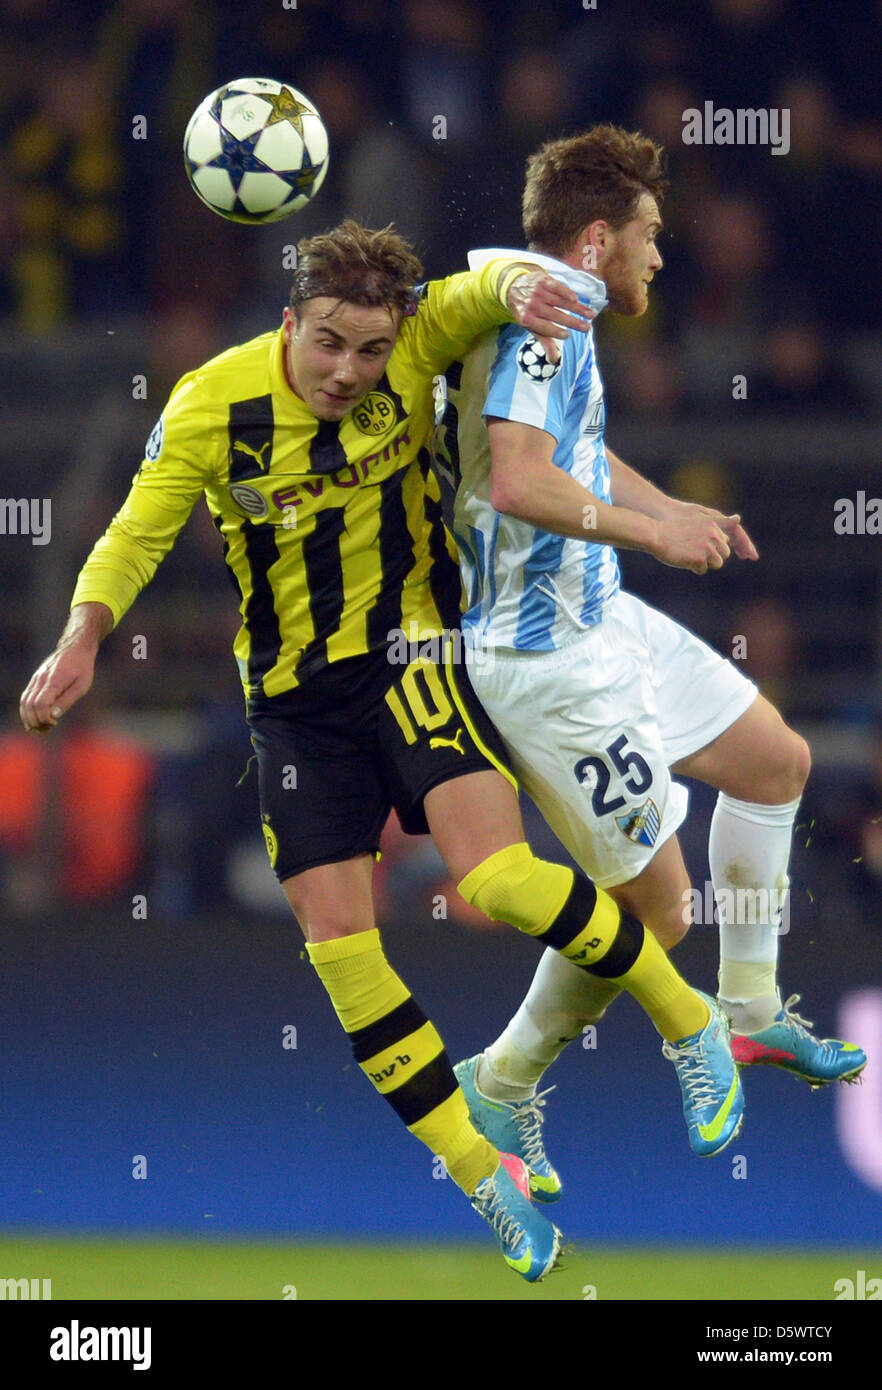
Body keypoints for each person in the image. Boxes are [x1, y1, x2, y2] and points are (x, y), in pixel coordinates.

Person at [20, 220, 742, 1284]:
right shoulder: (211, 403)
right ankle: (480, 1175)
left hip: (412, 652)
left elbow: (481, 279)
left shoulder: (418, 339)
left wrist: (524, 285)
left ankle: (693, 1023)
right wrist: (83, 635)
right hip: (293, 705)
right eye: (327, 345)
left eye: (369, 351)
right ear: (288, 324)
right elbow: (135, 532)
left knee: (495, 877)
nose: (350, 372)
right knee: (339, 946)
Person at [428, 126, 867, 1196]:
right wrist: (653, 535)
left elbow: (567, 447)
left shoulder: (533, 297)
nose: (661, 258)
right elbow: (524, 480)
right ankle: (500, 1076)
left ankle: (753, 1010)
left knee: (775, 760)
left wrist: (666, 504)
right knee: (659, 914)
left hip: (601, 617)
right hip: (545, 663)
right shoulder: (547, 322)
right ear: (597, 238)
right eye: (650, 237)